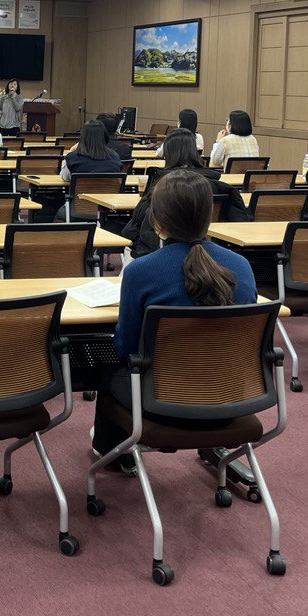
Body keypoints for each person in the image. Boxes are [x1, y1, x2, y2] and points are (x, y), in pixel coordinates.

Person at [91, 171, 257, 472]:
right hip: (231, 397)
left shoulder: (141, 271)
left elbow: (126, 348)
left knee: (107, 365)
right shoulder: (242, 266)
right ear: (209, 215)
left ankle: (113, 452)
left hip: (162, 402)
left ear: (157, 222)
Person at [122, 129, 249, 257]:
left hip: (165, 252)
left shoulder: (162, 187)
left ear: (168, 153)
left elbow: (135, 224)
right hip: (210, 250)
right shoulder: (218, 186)